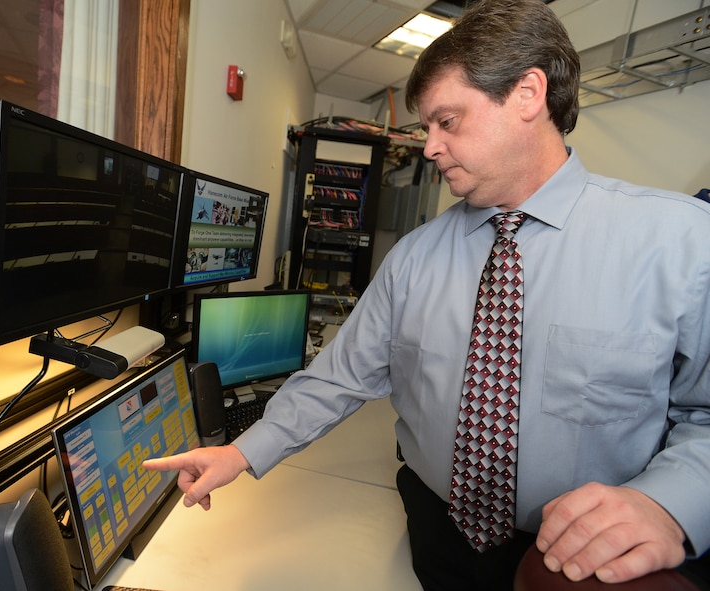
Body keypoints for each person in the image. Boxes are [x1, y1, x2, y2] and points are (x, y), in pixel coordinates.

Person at [144, 0, 710, 588]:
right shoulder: (413, 259)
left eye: (448, 122)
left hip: (585, 562)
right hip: (439, 530)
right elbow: (338, 377)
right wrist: (240, 453)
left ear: (527, 95)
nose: (429, 147)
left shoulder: (679, 244)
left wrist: (671, 503)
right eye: (426, 129)